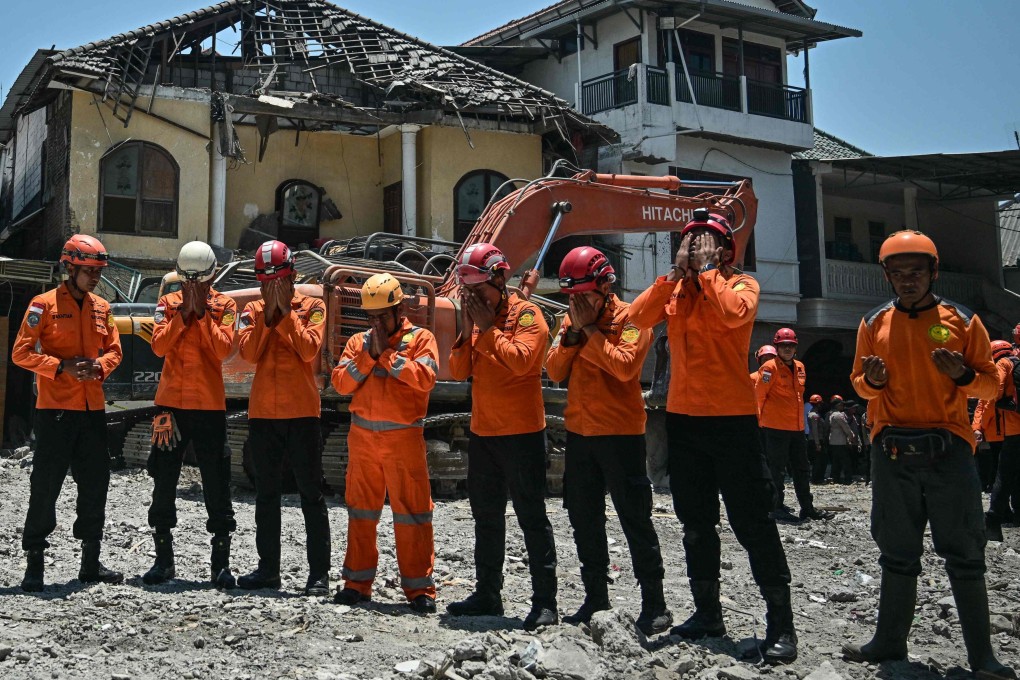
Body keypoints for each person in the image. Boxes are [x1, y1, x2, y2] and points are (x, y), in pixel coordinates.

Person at [843, 230, 1013, 680]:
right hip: (892, 452)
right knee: (896, 552)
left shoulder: (962, 320)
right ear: (887, 276)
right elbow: (858, 384)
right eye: (897, 274)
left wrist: (961, 376)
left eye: (915, 273)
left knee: (965, 554)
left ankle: (983, 658)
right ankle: (888, 641)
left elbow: (990, 386)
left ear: (932, 272)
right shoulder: (872, 324)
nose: (906, 281)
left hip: (949, 453)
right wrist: (873, 384)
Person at [630, 209, 798, 664]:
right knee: (696, 524)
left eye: (705, 241)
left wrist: (706, 273)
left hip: (732, 423)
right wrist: (674, 275)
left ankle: (782, 626)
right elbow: (637, 317)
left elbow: (731, 316)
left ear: (725, 251)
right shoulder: (679, 291)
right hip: (685, 422)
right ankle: (708, 614)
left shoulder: (741, 285)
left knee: (753, 523)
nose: (696, 247)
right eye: (691, 241)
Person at [545, 246, 672, 635]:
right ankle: (596, 598)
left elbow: (624, 367)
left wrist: (587, 332)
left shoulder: (633, 318)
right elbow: (552, 368)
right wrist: (573, 333)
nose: (578, 302)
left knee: (635, 518)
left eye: (584, 294)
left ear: (605, 284)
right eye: (573, 296)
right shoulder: (571, 317)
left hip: (620, 435)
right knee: (583, 518)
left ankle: (655, 604)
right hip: (581, 435)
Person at [446, 242, 558, 631]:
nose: (474, 300)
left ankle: (545, 601)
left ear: (499, 278)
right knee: (486, 517)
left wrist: (489, 329)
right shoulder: (477, 322)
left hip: (523, 434)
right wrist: (465, 330)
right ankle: (487, 593)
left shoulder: (529, 316)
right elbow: (459, 372)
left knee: (531, 518)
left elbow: (523, 361)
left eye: (480, 291)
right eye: (469, 294)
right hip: (484, 434)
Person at [12, 234, 124, 591]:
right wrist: (61, 367)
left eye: (99, 271)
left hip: (92, 413)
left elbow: (115, 351)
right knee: (45, 486)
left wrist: (100, 366)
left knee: (95, 485)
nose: (95, 277)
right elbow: (21, 353)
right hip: (55, 412)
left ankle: (90, 564)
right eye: (89, 271)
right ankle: (34, 567)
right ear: (70, 268)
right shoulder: (42, 305)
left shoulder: (102, 308)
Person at [332, 273, 439, 613]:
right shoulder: (358, 342)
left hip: (403, 440)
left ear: (398, 310)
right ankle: (357, 584)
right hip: (363, 440)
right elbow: (341, 383)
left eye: (381, 316)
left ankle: (420, 589)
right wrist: (368, 356)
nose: (375, 323)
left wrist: (388, 357)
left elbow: (425, 380)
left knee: (413, 514)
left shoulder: (421, 339)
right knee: (361, 514)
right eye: (371, 317)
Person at [236, 240, 331, 596]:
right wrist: (269, 316)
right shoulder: (253, 311)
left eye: (277, 281)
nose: (270, 289)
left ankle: (319, 575)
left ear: (291, 277)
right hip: (263, 415)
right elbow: (248, 353)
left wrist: (286, 314)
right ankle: (268, 570)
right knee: (266, 494)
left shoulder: (313, 306)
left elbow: (309, 349)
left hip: (303, 413)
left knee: (311, 495)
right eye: (264, 283)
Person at [144, 241, 237, 588]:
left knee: (217, 480)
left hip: (210, 407)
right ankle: (163, 561)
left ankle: (220, 564)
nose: (193, 288)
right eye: (188, 282)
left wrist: (202, 316)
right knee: (164, 479)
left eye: (198, 282)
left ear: (210, 278)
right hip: (170, 406)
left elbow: (225, 349)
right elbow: (158, 346)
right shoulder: (167, 304)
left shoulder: (224, 306)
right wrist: (184, 315)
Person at [754, 328, 831, 522]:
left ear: (795, 347)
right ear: (777, 347)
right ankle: (776, 508)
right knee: (777, 469)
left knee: (802, 469)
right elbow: (759, 396)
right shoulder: (769, 368)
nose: (787, 349)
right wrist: (759, 422)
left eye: (790, 345)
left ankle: (807, 508)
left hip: (796, 428)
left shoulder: (800, 367)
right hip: (775, 427)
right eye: (783, 346)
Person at [984, 339, 1020, 542]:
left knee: (1004, 475)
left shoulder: (1003, 364)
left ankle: (993, 521)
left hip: (1013, 429)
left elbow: (993, 393)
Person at [826, 396, 858, 484]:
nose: (842, 406)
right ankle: (848, 479)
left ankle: (835, 478)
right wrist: (852, 436)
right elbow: (846, 427)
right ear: (837, 405)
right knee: (846, 462)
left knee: (836, 462)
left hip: (833, 441)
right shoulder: (839, 415)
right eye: (841, 404)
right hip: (840, 442)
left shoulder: (831, 414)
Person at [806, 394, 830, 483]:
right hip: (816, 440)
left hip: (816, 439)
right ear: (818, 404)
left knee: (820, 460)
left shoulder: (812, 414)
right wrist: (817, 444)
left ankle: (818, 477)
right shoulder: (814, 415)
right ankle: (817, 479)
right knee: (819, 461)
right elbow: (815, 430)